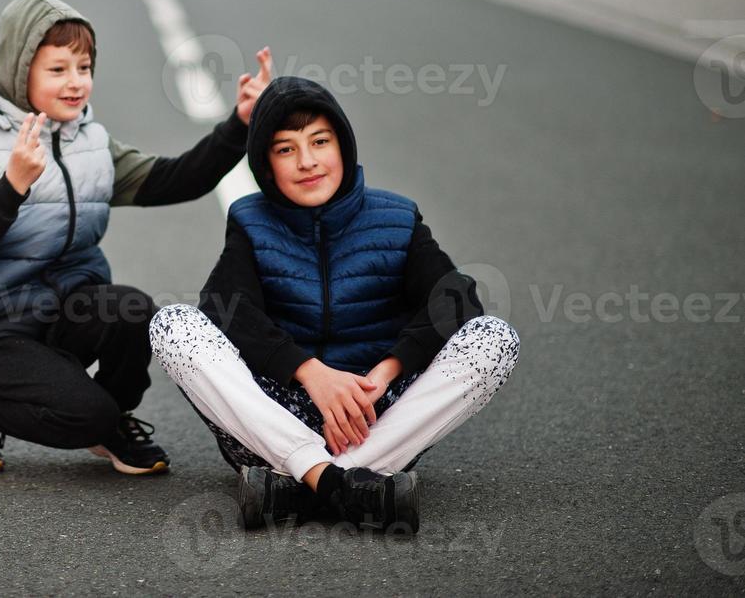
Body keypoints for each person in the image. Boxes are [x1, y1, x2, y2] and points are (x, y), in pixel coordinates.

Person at [150, 75, 520, 531]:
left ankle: (296, 486)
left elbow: (456, 299)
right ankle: (346, 486)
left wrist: (386, 373)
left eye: (319, 141)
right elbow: (227, 310)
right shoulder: (250, 219)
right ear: (266, 165)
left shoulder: (397, 217)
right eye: (286, 149)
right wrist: (310, 372)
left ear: (342, 145)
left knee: (494, 339)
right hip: (276, 418)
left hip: (374, 415)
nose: (307, 162)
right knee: (173, 324)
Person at [0, 0, 272, 475]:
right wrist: (12, 187)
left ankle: (106, 420)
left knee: (134, 313)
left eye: (84, 68)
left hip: (58, 306)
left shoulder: (88, 140)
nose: (76, 83)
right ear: (19, 69)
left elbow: (175, 180)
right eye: (58, 69)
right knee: (82, 415)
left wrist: (239, 125)